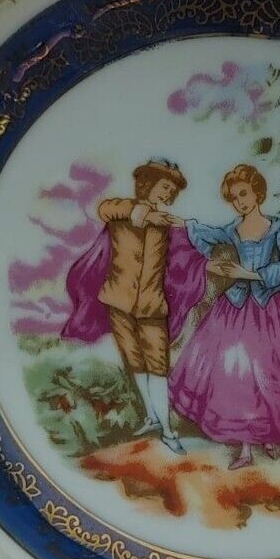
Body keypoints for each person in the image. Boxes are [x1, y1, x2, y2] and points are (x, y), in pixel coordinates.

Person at [170, 163, 280, 469]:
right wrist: (183, 224)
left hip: (273, 305)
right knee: (238, 375)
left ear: (257, 193)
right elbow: (205, 235)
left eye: (243, 194)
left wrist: (250, 274)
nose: (240, 202)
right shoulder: (232, 229)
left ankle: (271, 433)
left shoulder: (278, 228)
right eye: (234, 198)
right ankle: (245, 448)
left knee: (273, 371)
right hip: (236, 305)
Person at [61, 159, 207, 453]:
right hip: (118, 300)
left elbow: (186, 255)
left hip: (152, 306)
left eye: (171, 191)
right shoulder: (122, 210)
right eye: (164, 187)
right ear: (148, 183)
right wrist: (140, 212)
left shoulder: (168, 225)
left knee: (158, 367)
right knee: (135, 362)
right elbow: (105, 209)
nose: (168, 194)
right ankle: (152, 417)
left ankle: (167, 431)